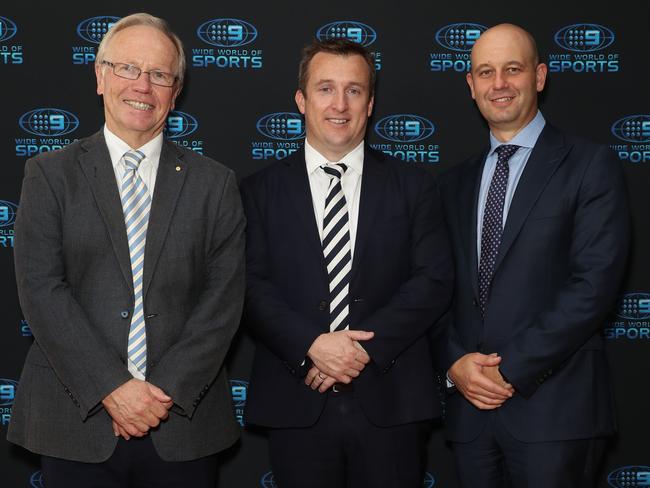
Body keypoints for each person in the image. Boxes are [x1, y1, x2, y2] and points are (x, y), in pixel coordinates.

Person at [8, 13, 245, 488]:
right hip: (74, 423)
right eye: (127, 69)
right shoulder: (50, 175)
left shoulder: (214, 183)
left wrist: (159, 395)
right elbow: (41, 291)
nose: (143, 86)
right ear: (100, 77)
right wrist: (112, 388)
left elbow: (223, 300)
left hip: (182, 424)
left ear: (175, 92)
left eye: (159, 75)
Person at [240, 38, 453, 488]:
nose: (340, 104)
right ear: (301, 100)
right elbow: (249, 285)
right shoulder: (256, 192)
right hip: (297, 398)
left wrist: (359, 350)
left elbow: (432, 280)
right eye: (325, 89)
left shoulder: (414, 186)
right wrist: (312, 345)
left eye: (354, 90)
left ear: (370, 103)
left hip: (392, 400)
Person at [438, 23, 630, 487]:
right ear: (471, 85)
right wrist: (453, 364)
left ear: (539, 76)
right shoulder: (453, 184)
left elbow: (594, 286)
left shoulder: (589, 165)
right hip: (469, 418)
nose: (498, 84)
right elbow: (435, 287)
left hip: (556, 415)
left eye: (512, 69)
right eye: (485, 72)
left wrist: (511, 369)